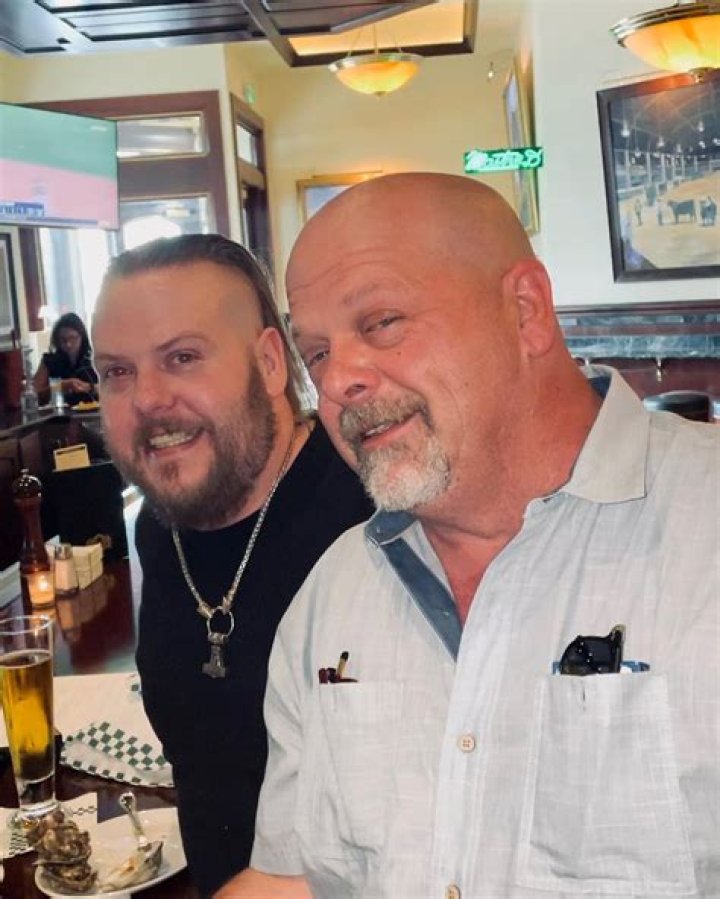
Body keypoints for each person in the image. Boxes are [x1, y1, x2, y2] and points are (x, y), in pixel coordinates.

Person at [218, 174, 719, 898]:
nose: (338, 381)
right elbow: (293, 878)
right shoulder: (331, 598)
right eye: (317, 353)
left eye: (382, 321)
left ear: (525, 310)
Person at [91, 234, 373, 897]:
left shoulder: (371, 516)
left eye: (182, 357)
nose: (147, 398)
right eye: (117, 372)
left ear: (270, 363)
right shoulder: (158, 528)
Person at [33, 311, 98, 405]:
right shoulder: (49, 361)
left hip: (92, 411)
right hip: (60, 412)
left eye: (73, 338)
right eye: (63, 340)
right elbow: (33, 395)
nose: (68, 344)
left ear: (82, 337)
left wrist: (89, 387)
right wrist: (60, 387)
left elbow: (111, 388)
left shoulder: (93, 358)